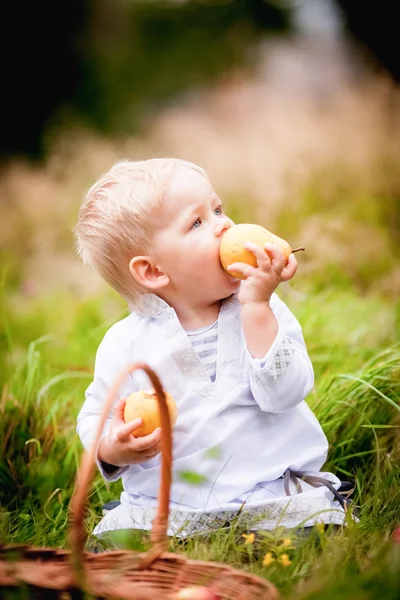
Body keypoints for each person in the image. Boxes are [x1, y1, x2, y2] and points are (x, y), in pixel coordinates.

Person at [74, 158, 349, 541]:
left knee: (310, 532)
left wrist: (256, 308)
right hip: (171, 506)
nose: (225, 225)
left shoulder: (263, 308)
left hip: (267, 491)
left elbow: (286, 394)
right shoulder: (126, 343)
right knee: (120, 546)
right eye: (197, 223)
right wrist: (112, 446)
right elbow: (94, 415)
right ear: (153, 271)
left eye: (218, 209)